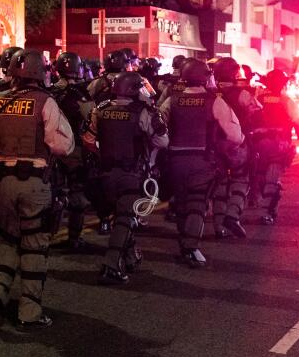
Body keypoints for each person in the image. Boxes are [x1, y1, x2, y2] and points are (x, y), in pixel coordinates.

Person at [0, 49, 74, 330]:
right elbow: (62, 145)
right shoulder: (45, 102)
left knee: (9, 240)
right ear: (40, 73)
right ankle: (29, 311)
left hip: (1, 184)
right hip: (33, 184)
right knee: (34, 247)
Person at [83, 72, 168, 284]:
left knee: (121, 217)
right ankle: (111, 264)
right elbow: (162, 141)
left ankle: (131, 257)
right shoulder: (142, 112)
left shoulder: (100, 110)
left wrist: (104, 154)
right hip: (131, 173)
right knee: (126, 218)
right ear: (133, 90)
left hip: (105, 173)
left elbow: (87, 139)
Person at [159, 58, 243, 268]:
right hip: (203, 161)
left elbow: (157, 128)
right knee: (197, 204)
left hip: (175, 161)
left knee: (181, 203)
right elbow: (235, 136)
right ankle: (191, 248)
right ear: (205, 77)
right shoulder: (214, 101)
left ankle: (183, 240)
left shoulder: (172, 100)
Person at [210, 57, 261, 239]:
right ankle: (232, 215)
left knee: (220, 182)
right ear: (234, 73)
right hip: (238, 142)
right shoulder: (243, 93)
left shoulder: (210, 93)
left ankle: (218, 226)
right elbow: (257, 112)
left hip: (214, 145)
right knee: (242, 179)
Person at [48, 52, 93, 250]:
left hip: (51, 149)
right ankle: (74, 238)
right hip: (74, 149)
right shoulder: (81, 93)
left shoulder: (49, 91)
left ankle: (48, 236)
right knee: (77, 194)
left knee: (54, 193)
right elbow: (91, 118)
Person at [250, 69, 299, 225]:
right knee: (272, 180)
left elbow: (249, 117)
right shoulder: (286, 101)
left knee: (261, 177)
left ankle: (267, 209)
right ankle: (268, 213)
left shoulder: (258, 98)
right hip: (279, 146)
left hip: (259, 146)